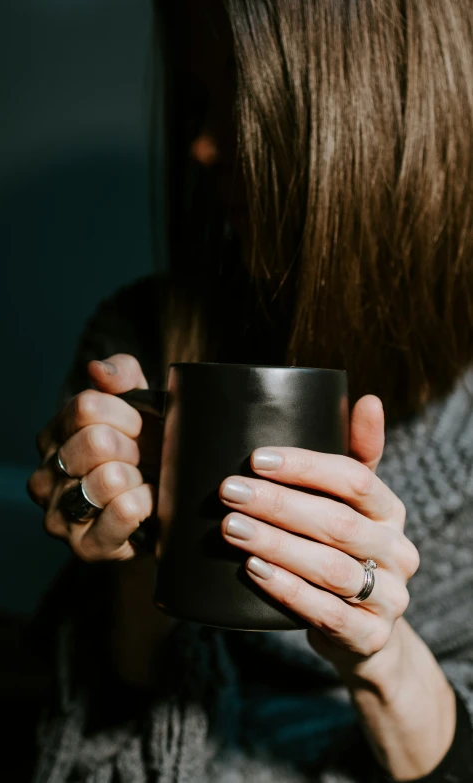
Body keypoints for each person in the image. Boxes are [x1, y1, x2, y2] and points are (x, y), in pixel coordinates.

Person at [26, 1, 473, 781]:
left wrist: (381, 658)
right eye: (199, 98)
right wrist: (138, 563)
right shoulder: (139, 339)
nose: (201, 144)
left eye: (243, 100)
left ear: (376, 112)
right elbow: (80, 736)